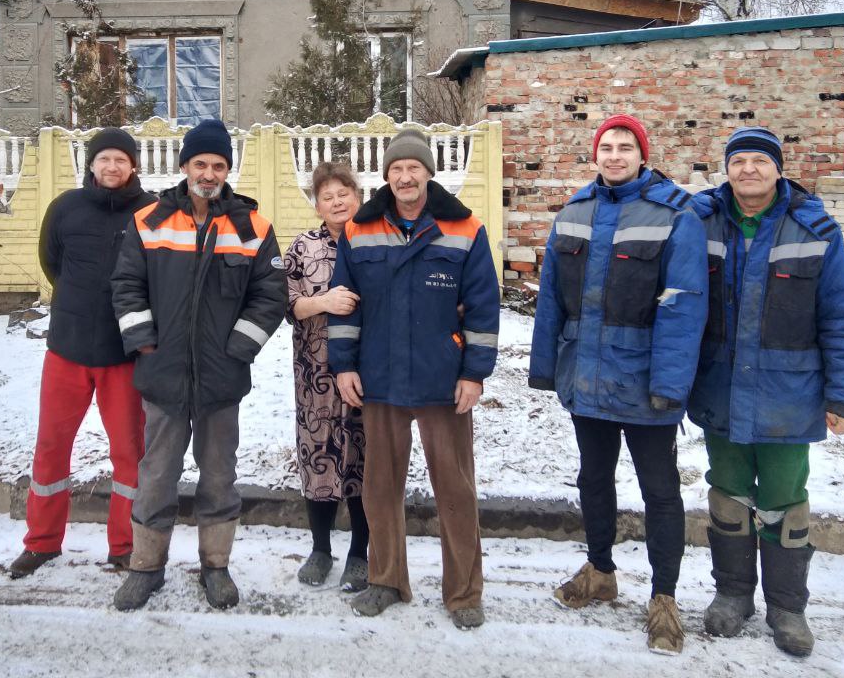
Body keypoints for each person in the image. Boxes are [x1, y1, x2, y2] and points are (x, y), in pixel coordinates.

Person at [689, 127, 844, 657]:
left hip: (788, 398)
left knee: (784, 503)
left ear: (777, 168)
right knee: (727, 494)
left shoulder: (814, 228)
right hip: (720, 389)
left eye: (759, 161)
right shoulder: (700, 223)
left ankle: (788, 608)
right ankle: (732, 595)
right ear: (726, 168)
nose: (748, 169)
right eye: (738, 160)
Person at [530, 114, 707, 655]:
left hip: (646, 381)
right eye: (606, 146)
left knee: (659, 491)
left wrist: (670, 384)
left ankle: (664, 599)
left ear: (642, 154)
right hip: (587, 375)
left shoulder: (676, 214)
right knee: (593, 478)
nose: (614, 155)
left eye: (625, 147)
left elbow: (684, 304)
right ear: (596, 154)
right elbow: (551, 298)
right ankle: (601, 570)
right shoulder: (575, 213)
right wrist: (546, 368)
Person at [109, 117, 286, 611]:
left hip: (221, 380)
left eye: (219, 165)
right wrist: (144, 342)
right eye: (200, 163)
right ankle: (146, 567)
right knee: (157, 474)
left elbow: (269, 297)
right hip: (163, 376)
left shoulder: (253, 227)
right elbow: (126, 285)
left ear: (228, 170)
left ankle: (216, 566)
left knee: (218, 476)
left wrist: (238, 350)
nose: (209, 173)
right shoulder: (151, 220)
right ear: (185, 165)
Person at [327, 130, 500, 630]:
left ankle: (464, 592)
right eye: (397, 169)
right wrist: (344, 366)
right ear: (386, 176)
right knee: (380, 487)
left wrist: (474, 374)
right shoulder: (359, 230)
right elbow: (344, 305)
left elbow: (484, 307)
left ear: (428, 173)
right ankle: (386, 580)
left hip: (442, 380)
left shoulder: (464, 228)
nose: (405, 177)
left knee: (456, 488)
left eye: (414, 168)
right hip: (378, 378)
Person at [9, 128, 155, 579]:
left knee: (130, 453)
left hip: (123, 354)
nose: (112, 167)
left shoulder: (150, 212)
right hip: (68, 349)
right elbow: (52, 262)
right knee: (51, 448)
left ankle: (124, 547)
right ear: (90, 164)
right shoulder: (65, 209)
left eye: (121, 160)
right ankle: (42, 542)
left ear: (133, 166)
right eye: (104, 159)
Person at [283, 162, 369, 591]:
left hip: (366, 370)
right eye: (327, 196)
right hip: (314, 372)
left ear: (358, 196)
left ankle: (359, 553)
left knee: (362, 456)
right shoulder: (303, 247)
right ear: (317, 204)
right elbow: (289, 305)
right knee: (318, 453)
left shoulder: (376, 240)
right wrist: (325, 302)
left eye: (344, 194)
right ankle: (320, 548)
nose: (337, 202)